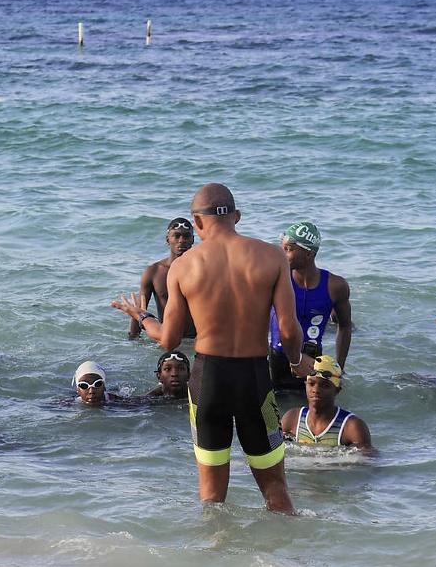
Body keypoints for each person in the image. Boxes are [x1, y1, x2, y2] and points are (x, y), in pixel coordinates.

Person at [112, 183, 313, 514]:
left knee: (212, 496)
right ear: (237, 216)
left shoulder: (183, 266)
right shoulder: (272, 256)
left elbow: (169, 340)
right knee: (275, 488)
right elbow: (290, 331)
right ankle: (285, 560)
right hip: (255, 381)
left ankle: (214, 555)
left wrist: (142, 315)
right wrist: (295, 360)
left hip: (208, 382)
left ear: (197, 222)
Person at [268, 221, 352, 390]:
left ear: (308, 253)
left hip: (312, 363)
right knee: (273, 414)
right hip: (276, 363)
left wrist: (339, 368)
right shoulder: (275, 280)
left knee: (312, 412)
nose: (283, 255)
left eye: (289, 250)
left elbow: (344, 325)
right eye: (282, 248)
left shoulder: (335, 286)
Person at [280, 356, 373, 452]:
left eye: (325, 386)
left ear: (337, 390)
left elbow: (367, 462)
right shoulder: (292, 419)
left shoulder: (352, 427)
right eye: (311, 384)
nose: (316, 390)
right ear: (305, 385)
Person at [128, 217, 196, 340]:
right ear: (167, 240)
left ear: (192, 240)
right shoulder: (154, 272)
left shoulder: (201, 270)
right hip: (167, 337)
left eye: (186, 236)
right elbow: (139, 310)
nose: (182, 241)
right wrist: (132, 341)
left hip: (197, 339)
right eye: (176, 236)